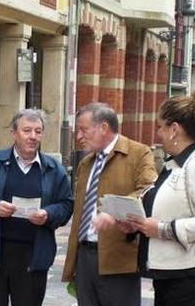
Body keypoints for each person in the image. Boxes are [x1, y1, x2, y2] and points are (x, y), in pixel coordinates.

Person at [0, 109, 74, 306]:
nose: (33, 137)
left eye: (38, 131)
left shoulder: (54, 170)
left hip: (34, 255)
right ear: (14, 133)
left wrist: (48, 214)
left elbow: (66, 205)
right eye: (27, 130)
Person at [127, 91, 195, 305]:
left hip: (193, 279)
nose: (158, 133)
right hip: (174, 275)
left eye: (160, 127)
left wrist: (162, 229)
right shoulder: (177, 164)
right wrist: (139, 225)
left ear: (174, 130)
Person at [61, 103, 157, 306]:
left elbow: (148, 190)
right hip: (84, 257)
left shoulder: (139, 153)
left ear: (103, 128)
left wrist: (114, 213)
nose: (79, 136)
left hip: (118, 260)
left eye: (83, 129)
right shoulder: (86, 163)